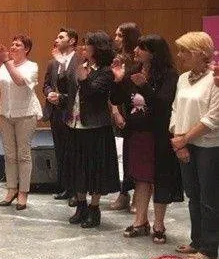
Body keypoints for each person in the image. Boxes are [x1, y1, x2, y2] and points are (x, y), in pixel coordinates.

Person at [110, 35, 182, 243]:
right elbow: (117, 99)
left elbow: (163, 105)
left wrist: (144, 86)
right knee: (141, 179)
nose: (136, 51)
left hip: (159, 134)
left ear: (153, 52)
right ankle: (140, 221)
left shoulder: (169, 75)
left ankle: (159, 224)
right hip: (137, 133)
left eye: (141, 48)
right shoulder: (133, 71)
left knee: (160, 178)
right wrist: (118, 81)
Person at [169, 32, 219, 259]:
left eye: (185, 51)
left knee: (209, 198)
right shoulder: (182, 78)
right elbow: (175, 110)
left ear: (201, 53)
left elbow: (214, 117)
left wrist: (185, 138)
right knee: (193, 195)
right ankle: (196, 241)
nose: (180, 55)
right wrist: (179, 140)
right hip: (184, 143)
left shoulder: (215, 79)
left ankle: (209, 248)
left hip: (209, 145)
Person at [63, 31, 120, 228]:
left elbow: (94, 93)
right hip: (75, 124)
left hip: (95, 127)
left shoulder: (105, 71)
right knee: (77, 166)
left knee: (95, 169)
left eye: (88, 44)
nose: (84, 47)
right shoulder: (81, 67)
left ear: (98, 48)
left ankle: (94, 209)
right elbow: (69, 90)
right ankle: (81, 206)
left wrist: (84, 79)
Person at [0, 35, 42, 210]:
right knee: (9, 155)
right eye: (12, 44)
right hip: (6, 114)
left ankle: (23, 192)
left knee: (23, 154)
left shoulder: (32, 66)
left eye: (18, 45)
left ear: (26, 49)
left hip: (26, 114)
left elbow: (19, 81)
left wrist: (6, 62)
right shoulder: (4, 65)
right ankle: (11, 189)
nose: (13, 47)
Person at [43, 28, 79, 202]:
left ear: (72, 41)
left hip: (71, 111)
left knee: (74, 152)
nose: (56, 40)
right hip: (56, 112)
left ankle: (77, 191)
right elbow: (46, 84)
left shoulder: (78, 61)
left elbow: (75, 86)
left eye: (61, 37)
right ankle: (66, 187)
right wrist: (49, 93)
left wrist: (61, 97)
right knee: (61, 150)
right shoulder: (52, 63)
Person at [110, 22, 142, 211]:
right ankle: (124, 193)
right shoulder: (116, 58)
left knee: (136, 153)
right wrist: (115, 112)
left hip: (136, 110)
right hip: (120, 108)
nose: (116, 38)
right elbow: (112, 88)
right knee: (124, 153)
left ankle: (138, 193)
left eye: (120, 35)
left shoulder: (138, 61)